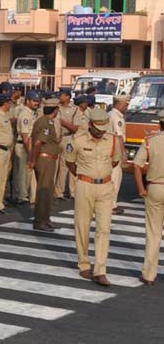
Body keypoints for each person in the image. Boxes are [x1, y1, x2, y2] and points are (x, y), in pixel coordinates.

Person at [66, 108, 119, 287]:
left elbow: (115, 161)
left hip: (105, 186)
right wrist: (83, 175)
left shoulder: (112, 140)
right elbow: (70, 162)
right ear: (90, 125)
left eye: (103, 127)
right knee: (82, 225)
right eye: (97, 127)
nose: (100, 131)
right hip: (85, 185)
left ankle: (100, 270)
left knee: (104, 229)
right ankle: (84, 263)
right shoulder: (78, 140)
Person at [132, 111, 164, 285]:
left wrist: (141, 188)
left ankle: (149, 275)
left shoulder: (150, 141)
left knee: (153, 233)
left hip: (155, 188)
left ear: (159, 124)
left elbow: (136, 165)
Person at [29, 97, 61, 231]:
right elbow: (38, 143)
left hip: (49, 158)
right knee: (43, 191)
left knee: (48, 191)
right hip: (45, 159)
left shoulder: (48, 121)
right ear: (55, 110)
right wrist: (33, 160)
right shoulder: (45, 122)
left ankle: (45, 218)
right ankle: (40, 220)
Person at [12, 91, 39, 205]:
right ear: (28, 101)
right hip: (23, 145)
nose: (36, 103)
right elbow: (25, 135)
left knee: (26, 172)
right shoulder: (25, 114)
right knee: (22, 172)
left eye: (37, 101)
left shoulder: (31, 113)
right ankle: (20, 196)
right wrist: (30, 152)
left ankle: (23, 195)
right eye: (34, 101)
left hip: (28, 144)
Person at [55, 88, 76, 200]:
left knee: (64, 166)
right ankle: (55, 191)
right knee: (54, 166)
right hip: (55, 138)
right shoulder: (56, 107)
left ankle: (61, 191)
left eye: (62, 95)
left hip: (67, 137)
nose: (60, 97)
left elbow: (75, 126)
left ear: (68, 96)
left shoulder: (74, 109)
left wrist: (61, 121)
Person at [109, 96, 127, 215]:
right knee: (115, 178)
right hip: (116, 149)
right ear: (118, 104)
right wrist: (124, 153)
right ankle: (112, 205)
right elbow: (118, 135)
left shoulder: (110, 114)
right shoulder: (116, 117)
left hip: (111, 148)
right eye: (125, 104)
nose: (126, 107)